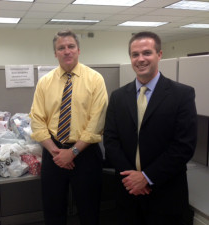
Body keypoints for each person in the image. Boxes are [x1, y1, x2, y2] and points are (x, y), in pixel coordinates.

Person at [103, 31, 197, 225]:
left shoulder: (182, 94)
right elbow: (111, 141)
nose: (141, 59)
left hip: (165, 191)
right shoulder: (118, 96)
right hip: (127, 191)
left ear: (159, 54)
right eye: (135, 54)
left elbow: (184, 146)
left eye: (147, 53)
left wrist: (146, 177)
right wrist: (132, 179)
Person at [29, 29, 108, 225]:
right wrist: (56, 152)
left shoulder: (95, 79)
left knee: (89, 210)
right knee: (53, 209)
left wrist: (72, 152)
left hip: (85, 153)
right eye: (61, 48)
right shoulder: (44, 83)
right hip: (53, 152)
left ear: (79, 50)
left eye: (71, 46)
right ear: (55, 53)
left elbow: (97, 121)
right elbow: (37, 120)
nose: (67, 51)